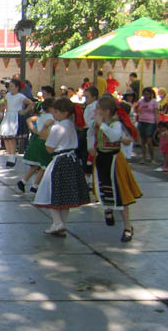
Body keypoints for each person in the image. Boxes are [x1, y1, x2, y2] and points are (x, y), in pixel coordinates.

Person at [33, 97, 90, 236]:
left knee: (50, 191)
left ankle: (57, 222)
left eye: (56, 112)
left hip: (60, 161)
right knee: (65, 195)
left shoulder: (58, 127)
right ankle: (61, 224)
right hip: (72, 160)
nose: (54, 115)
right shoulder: (70, 124)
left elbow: (50, 149)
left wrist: (46, 137)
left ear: (64, 113)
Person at [88, 96, 142, 243]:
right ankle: (108, 209)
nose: (96, 110)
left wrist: (102, 125)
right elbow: (90, 134)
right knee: (104, 188)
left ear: (106, 111)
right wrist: (90, 148)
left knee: (121, 193)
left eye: (98, 108)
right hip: (101, 158)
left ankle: (127, 227)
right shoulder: (97, 124)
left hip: (114, 160)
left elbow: (114, 137)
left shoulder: (115, 124)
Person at [18, 98, 55, 194]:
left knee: (35, 165)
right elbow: (49, 123)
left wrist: (34, 130)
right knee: (45, 165)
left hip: (36, 140)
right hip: (45, 141)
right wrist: (44, 129)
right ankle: (35, 186)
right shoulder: (52, 117)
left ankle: (24, 181)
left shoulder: (41, 116)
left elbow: (29, 120)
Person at [0, 79, 34, 168]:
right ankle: (9, 154)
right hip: (8, 116)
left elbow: (31, 103)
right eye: (9, 86)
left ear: (17, 87)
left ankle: (12, 156)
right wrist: (3, 110)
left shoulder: (20, 96)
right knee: (6, 137)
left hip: (15, 116)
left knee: (12, 137)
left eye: (11, 86)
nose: (10, 88)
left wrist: (25, 111)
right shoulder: (8, 95)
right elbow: (6, 105)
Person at [133, 86, 159, 163]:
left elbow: (156, 113)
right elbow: (135, 107)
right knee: (143, 141)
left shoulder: (154, 102)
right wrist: (138, 113)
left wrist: (157, 124)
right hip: (142, 121)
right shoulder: (141, 101)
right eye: (145, 94)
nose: (146, 96)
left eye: (148, 94)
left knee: (149, 141)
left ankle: (152, 158)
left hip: (151, 122)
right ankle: (143, 157)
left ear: (151, 94)